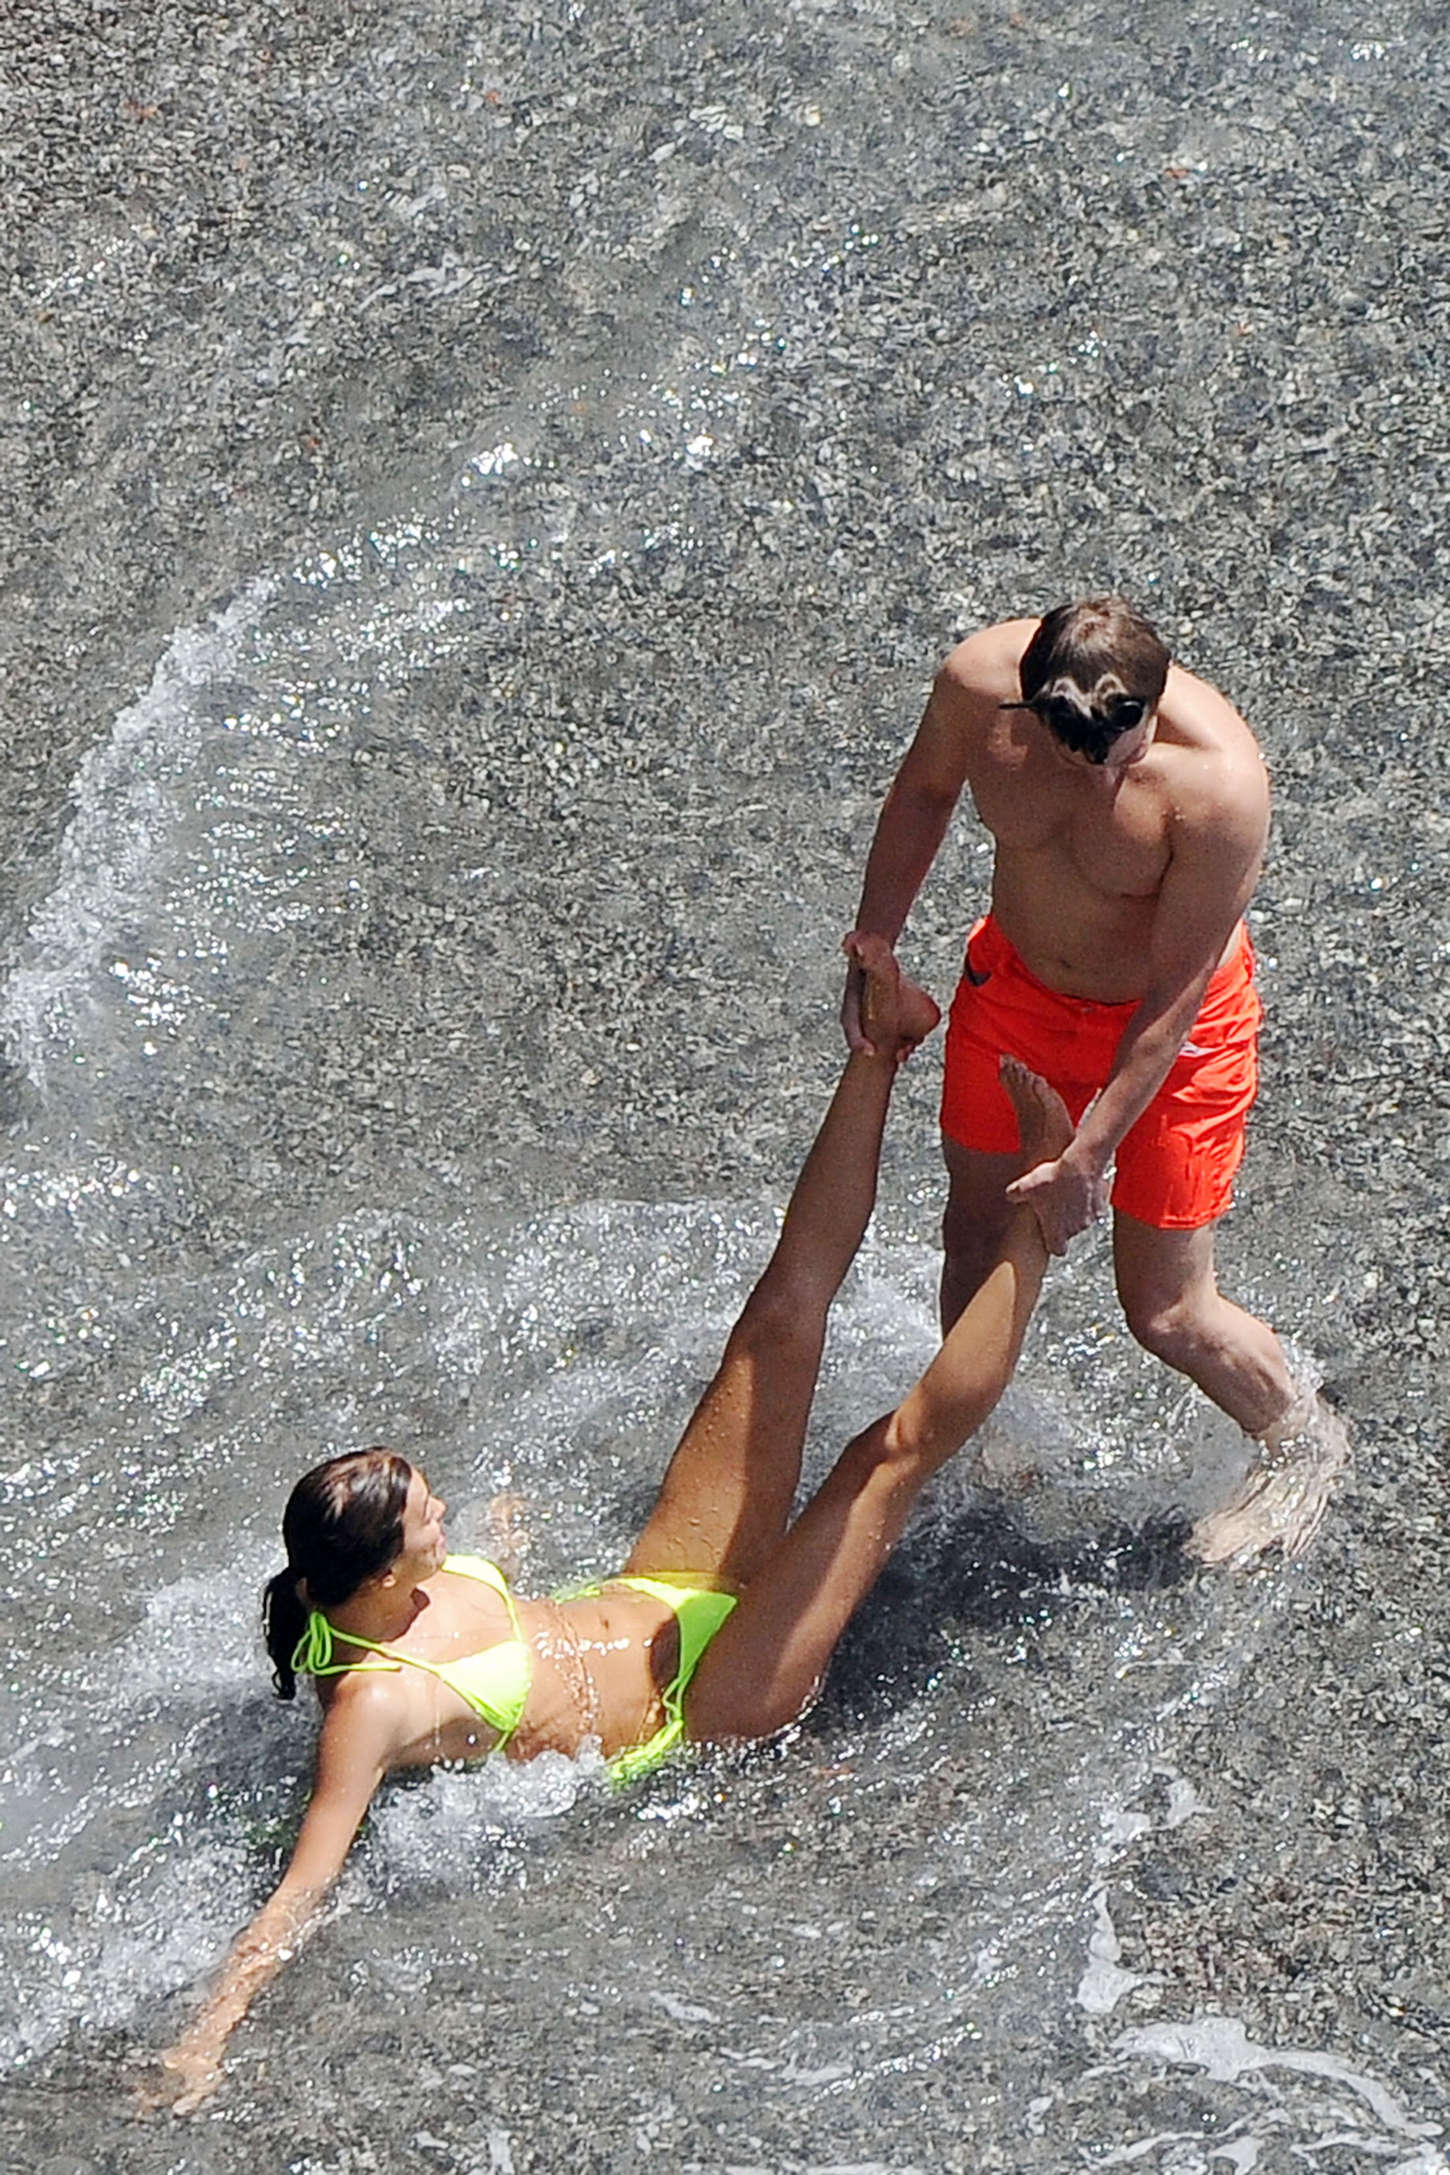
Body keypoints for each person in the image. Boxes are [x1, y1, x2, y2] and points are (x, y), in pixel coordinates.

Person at [153, 941, 1072, 2114]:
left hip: (656, 1588)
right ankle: (1042, 1218)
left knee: (777, 1318)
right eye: (429, 1516)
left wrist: (504, 1546)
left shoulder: (359, 1583)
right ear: (380, 1571)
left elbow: (502, 1620)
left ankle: (882, 1050)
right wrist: (207, 2039)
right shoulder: (370, 1706)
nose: (445, 1513)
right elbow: (303, 1887)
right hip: (706, 1700)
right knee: (880, 1459)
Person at [841, 597, 1346, 1564]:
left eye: (1124, 755)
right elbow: (922, 794)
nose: (1104, 778)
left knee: (1165, 1309)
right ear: (1030, 709)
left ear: (1154, 701)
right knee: (975, 1232)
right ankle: (977, 1441)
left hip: (1172, 1029)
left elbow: (1176, 995)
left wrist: (1086, 1157)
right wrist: (877, 945)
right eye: (1077, 759)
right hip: (1018, 989)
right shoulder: (974, 687)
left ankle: (1302, 1440)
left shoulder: (1220, 785)